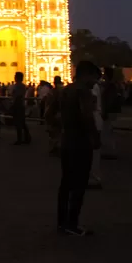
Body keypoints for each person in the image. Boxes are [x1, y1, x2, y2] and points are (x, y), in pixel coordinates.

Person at [53, 60, 101, 236]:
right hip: (81, 142)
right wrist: (95, 137)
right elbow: (87, 117)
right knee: (79, 184)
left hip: (67, 140)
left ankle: (62, 222)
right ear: (86, 75)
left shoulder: (65, 91)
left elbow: (52, 114)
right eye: (95, 78)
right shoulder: (83, 92)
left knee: (66, 182)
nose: (95, 82)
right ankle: (72, 223)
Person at [45, 76, 64, 156]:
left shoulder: (53, 91)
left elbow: (49, 102)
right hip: (60, 112)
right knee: (59, 131)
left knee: (54, 131)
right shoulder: (63, 90)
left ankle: (55, 148)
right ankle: (58, 148)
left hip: (54, 112)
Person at [11, 71, 31, 145]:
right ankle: (27, 137)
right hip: (19, 105)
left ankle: (20, 139)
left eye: (15, 76)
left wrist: (14, 104)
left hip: (18, 105)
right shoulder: (20, 85)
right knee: (22, 122)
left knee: (19, 122)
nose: (14, 77)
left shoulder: (19, 86)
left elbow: (17, 96)